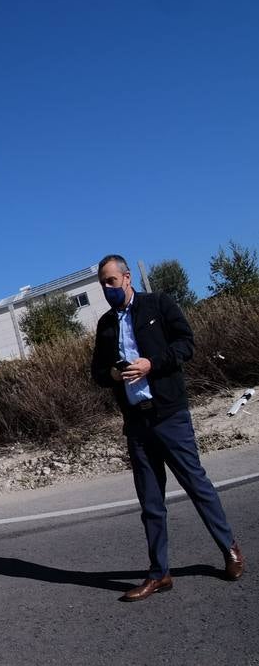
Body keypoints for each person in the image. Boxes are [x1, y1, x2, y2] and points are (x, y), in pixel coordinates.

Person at [90, 253, 244, 601]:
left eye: (111, 281)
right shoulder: (105, 324)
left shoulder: (158, 304)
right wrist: (113, 374)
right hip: (137, 422)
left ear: (127, 278)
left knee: (197, 485)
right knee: (151, 502)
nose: (107, 288)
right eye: (102, 284)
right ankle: (159, 574)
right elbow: (97, 373)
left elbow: (185, 344)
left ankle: (230, 548)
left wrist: (151, 364)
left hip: (169, 415)